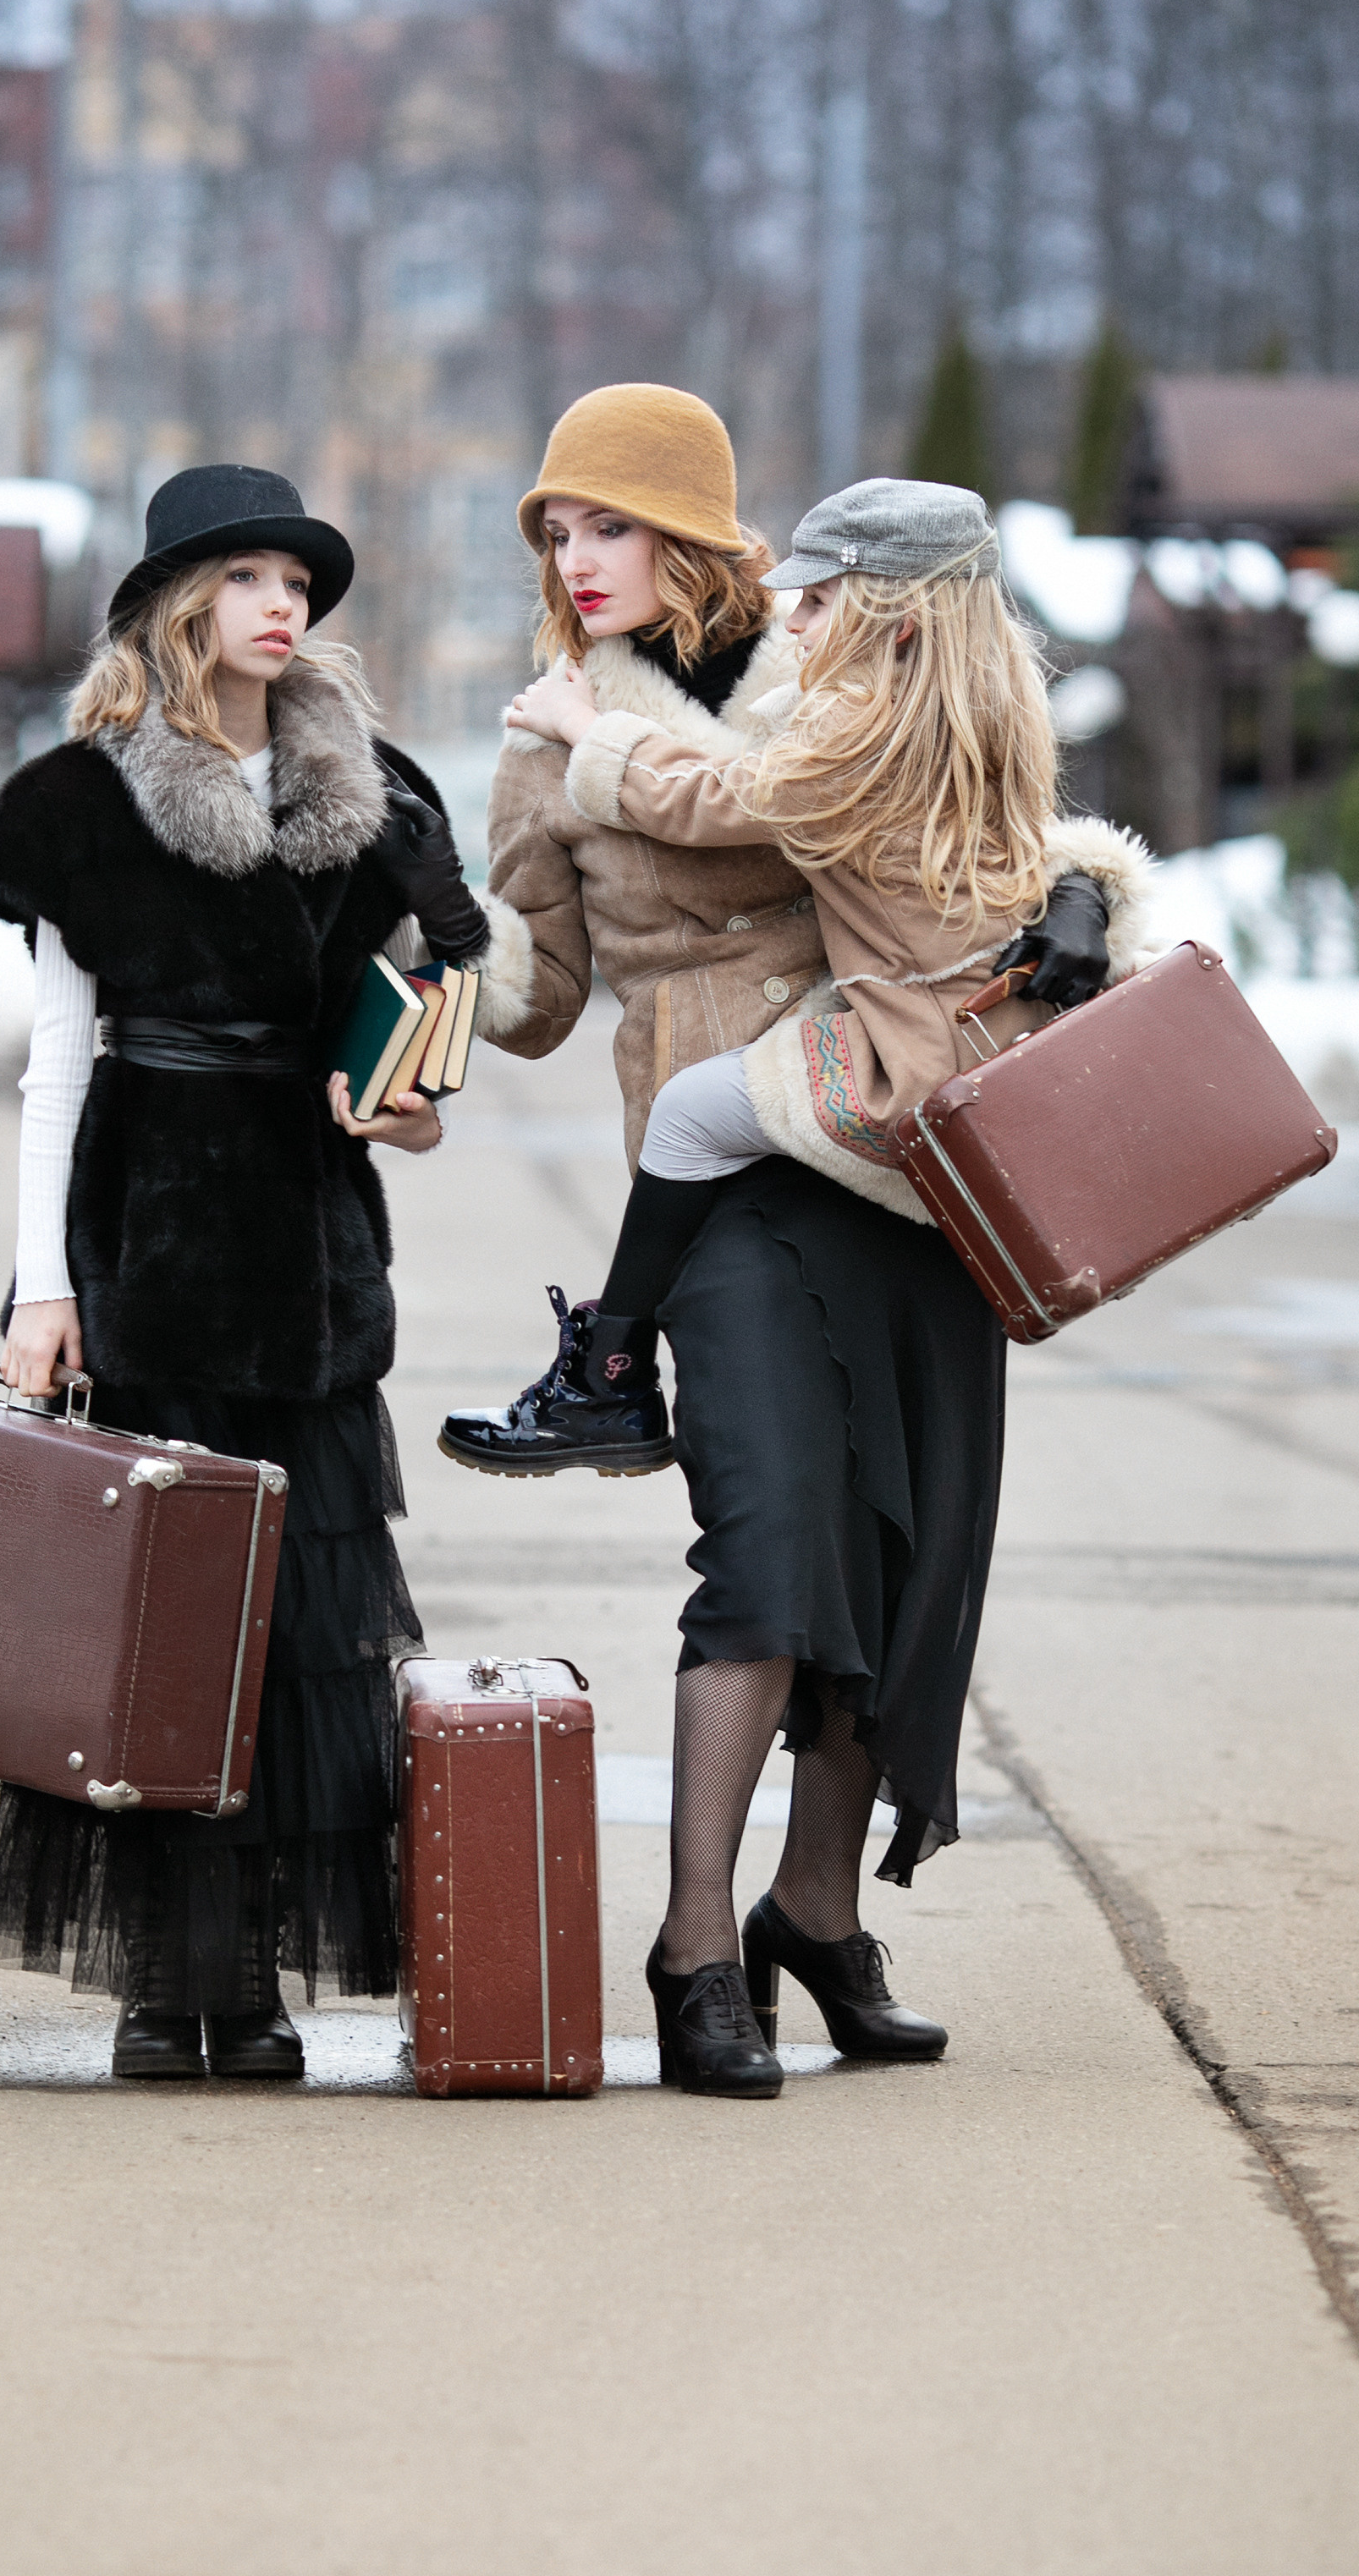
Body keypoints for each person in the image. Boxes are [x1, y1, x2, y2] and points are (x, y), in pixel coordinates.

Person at [443, 389, 1153, 2097]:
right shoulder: (551, 733)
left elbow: (947, 840)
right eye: (552, 529)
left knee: (897, 1562)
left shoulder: (844, 657)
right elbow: (533, 990)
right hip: (735, 1180)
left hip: (908, 1159)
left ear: (697, 533)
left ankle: (813, 1918)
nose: (572, 557)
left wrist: (1078, 899)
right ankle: (695, 1939)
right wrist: (413, 983)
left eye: (603, 523)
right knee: (769, 1552)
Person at [0, 464, 531, 2084]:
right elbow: (55, 1068)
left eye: (302, 581)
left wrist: (405, 1110)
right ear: (175, 602)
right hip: (145, 1242)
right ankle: (169, 1973)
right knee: (153, 1626)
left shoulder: (368, 801)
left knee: (300, 1629)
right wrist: (40, 1288)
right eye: (252, 576)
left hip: (311, 1249)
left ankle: (258, 1981)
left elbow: (422, 1034)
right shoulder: (79, 803)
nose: (287, 605)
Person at [454, 475, 1119, 1458]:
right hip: (975, 1022)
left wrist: (591, 730)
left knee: (687, 1110)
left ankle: (606, 1371)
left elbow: (720, 799)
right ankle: (610, 1370)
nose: (794, 619)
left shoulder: (850, 721)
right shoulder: (975, 704)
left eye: (607, 526)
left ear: (893, 614)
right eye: (556, 537)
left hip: (911, 1058)